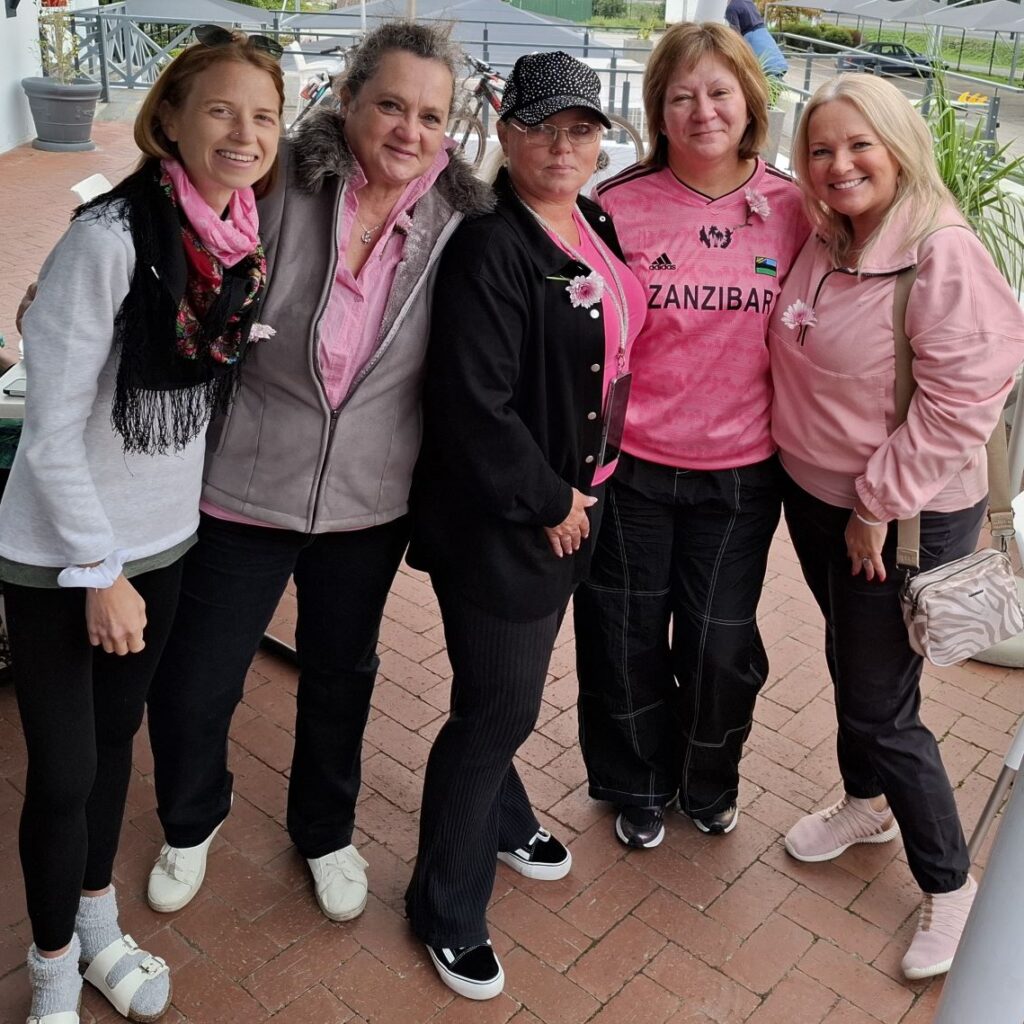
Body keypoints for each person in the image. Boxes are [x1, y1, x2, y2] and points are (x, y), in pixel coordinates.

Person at [143, 21, 491, 925]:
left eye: (430, 114)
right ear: (347, 101)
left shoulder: (460, 220)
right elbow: (184, 210)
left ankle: (324, 829)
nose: (408, 131)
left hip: (369, 501)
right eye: (389, 105)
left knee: (343, 674)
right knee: (196, 679)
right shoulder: (283, 178)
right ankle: (191, 819)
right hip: (244, 486)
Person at [0, 27, 283, 1024]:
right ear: (169, 119)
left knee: (117, 745)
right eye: (220, 110)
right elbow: (48, 434)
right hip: (63, 553)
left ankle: (93, 921)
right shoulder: (110, 240)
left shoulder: (238, 242)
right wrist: (97, 570)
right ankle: (47, 975)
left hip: (161, 541)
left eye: (262, 115)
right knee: (66, 770)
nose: (243, 132)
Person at [769, 74, 1024, 980]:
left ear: (899, 145)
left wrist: (877, 504)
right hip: (817, 498)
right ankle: (865, 802)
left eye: (858, 145)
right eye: (821, 149)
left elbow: (962, 405)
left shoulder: (941, 253)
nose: (839, 165)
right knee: (851, 659)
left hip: (897, 516)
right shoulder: (833, 235)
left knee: (883, 704)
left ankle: (951, 886)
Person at [404, 51, 645, 1000]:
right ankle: (443, 906)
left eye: (581, 128)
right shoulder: (491, 247)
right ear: (504, 130)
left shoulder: (592, 220)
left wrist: (582, 496)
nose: (563, 145)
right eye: (543, 126)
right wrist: (550, 501)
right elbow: (473, 406)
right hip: (514, 521)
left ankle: (502, 821)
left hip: (583, 502)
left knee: (503, 691)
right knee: (496, 710)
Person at [575, 22, 808, 850]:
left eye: (719, 91)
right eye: (682, 96)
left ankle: (709, 780)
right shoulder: (614, 205)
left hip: (741, 475)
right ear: (659, 112)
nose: (703, 110)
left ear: (750, 101)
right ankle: (634, 782)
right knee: (625, 635)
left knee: (720, 646)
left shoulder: (794, 209)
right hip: (633, 465)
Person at [725, 0, 789, 79]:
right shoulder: (749, 2)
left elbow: (735, 35)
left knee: (766, 76)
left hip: (753, 42)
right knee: (775, 74)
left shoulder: (731, 8)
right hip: (765, 37)